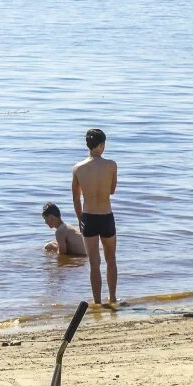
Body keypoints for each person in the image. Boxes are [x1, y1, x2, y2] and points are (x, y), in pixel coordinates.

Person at [72, 128, 117, 304]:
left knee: (94, 263)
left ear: (87, 145)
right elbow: (112, 191)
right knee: (111, 259)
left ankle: (97, 302)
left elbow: (76, 198)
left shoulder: (78, 168)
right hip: (106, 216)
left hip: (89, 217)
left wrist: (80, 219)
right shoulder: (111, 165)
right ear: (102, 145)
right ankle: (112, 298)